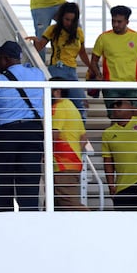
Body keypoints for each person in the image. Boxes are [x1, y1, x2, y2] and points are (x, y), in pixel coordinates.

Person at [0, 41, 45, 211]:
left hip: (5, 135)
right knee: (29, 181)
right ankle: (29, 219)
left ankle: (3, 219)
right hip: (33, 133)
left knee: (4, 180)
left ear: (6, 59)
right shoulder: (37, 74)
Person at [89, 5, 137, 118]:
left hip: (131, 84)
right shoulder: (103, 37)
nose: (115, 24)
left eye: (119, 21)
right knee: (115, 117)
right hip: (111, 85)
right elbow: (94, 61)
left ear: (127, 21)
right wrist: (98, 75)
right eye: (113, 21)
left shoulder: (136, 37)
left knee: (136, 113)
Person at [28, 1, 91, 121]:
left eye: (72, 20)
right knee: (56, 104)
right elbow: (40, 46)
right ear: (61, 17)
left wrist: (92, 68)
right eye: (67, 19)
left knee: (82, 103)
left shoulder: (78, 32)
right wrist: (35, 41)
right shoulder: (53, 29)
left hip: (72, 71)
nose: (69, 23)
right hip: (57, 69)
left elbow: (82, 52)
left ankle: (78, 133)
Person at [50, 79, 90, 211]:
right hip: (73, 163)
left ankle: (96, 223)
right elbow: (83, 138)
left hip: (62, 164)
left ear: (56, 92)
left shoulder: (58, 107)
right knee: (54, 206)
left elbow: (53, 134)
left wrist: (43, 154)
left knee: (69, 203)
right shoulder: (72, 107)